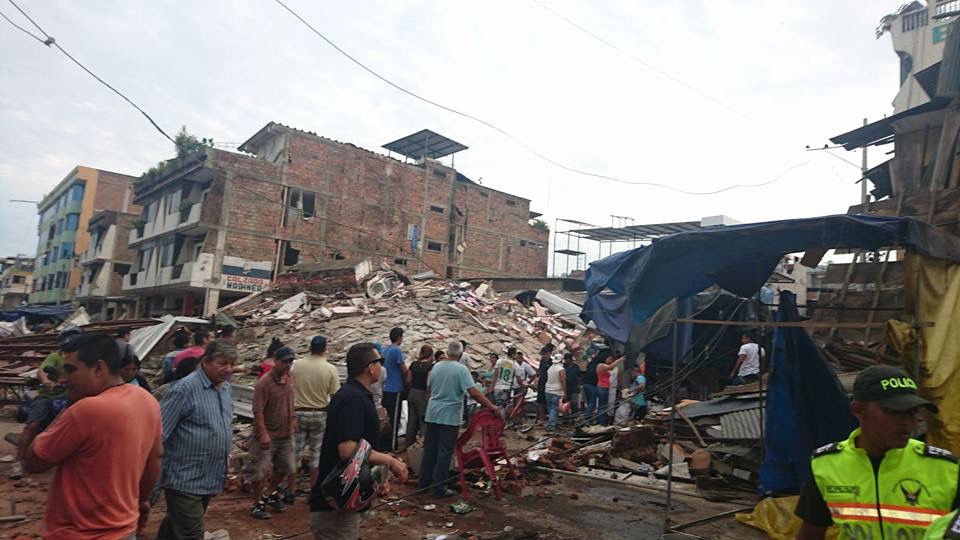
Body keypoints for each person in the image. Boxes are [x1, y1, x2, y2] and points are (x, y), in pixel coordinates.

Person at [24, 332, 162, 540]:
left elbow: (34, 461)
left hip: (79, 533)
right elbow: (156, 457)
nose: (63, 379)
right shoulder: (146, 400)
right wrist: (141, 500)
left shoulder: (86, 410)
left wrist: (69, 406)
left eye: (71, 370)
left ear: (99, 368)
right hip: (124, 528)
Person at [794, 366, 959, 540]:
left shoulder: (946, 469)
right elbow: (810, 534)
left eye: (911, 413)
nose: (908, 423)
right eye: (894, 412)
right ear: (858, 410)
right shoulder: (826, 466)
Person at [308, 343, 408, 540]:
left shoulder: (356, 395)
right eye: (379, 362)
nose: (382, 367)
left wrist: (377, 477)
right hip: (334, 507)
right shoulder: (353, 399)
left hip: (343, 500)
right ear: (370, 368)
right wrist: (390, 461)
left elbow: (362, 448)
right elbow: (348, 449)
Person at [157, 340, 236, 540]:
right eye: (222, 363)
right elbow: (159, 433)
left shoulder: (225, 389)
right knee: (192, 533)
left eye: (232, 364)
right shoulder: (184, 389)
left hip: (209, 475)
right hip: (184, 478)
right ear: (206, 361)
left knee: (175, 527)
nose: (228, 369)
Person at [418, 341, 499, 499]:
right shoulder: (461, 369)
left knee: (429, 450)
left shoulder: (436, 366)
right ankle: (439, 488)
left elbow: (428, 390)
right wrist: (491, 406)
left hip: (433, 413)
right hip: (449, 416)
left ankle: (423, 484)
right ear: (461, 354)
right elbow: (474, 392)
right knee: (444, 452)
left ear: (447, 353)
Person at [11, 327, 83, 480]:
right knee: (33, 425)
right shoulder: (55, 357)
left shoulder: (83, 359)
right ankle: (18, 462)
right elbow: (42, 371)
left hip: (70, 397)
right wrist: (47, 381)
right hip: (48, 396)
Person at [247, 346, 297, 519]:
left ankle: (268, 495)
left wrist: (293, 419)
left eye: (290, 361)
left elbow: (291, 401)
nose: (288, 365)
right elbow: (258, 410)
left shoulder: (289, 378)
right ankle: (256, 504)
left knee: (287, 467)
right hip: (268, 434)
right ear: (276, 361)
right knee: (259, 471)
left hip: (285, 433)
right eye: (285, 361)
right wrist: (263, 433)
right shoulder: (264, 383)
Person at [293, 335, 341, 489]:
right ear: (325, 349)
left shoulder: (296, 365)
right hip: (320, 414)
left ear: (310, 348)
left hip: (298, 413)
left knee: (295, 453)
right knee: (316, 454)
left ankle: (289, 489)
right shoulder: (330, 369)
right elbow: (335, 396)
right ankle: (314, 489)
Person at [381, 327, 409, 451]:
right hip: (395, 388)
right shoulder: (396, 351)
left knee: (388, 418)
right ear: (399, 337)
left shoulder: (386, 350)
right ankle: (392, 446)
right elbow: (404, 369)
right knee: (394, 418)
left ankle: (385, 444)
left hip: (386, 387)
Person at [405, 345, 434, 447]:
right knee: (423, 421)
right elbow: (428, 384)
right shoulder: (430, 367)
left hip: (412, 392)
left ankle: (408, 445)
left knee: (411, 421)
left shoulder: (413, 364)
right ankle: (423, 445)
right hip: (422, 394)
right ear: (431, 355)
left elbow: (408, 380)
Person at [596, 350, 623, 425]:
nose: (610, 360)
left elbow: (619, 379)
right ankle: (601, 422)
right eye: (609, 359)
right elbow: (611, 368)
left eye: (611, 359)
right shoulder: (602, 365)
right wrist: (619, 360)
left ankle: (602, 422)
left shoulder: (609, 367)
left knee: (605, 406)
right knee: (603, 406)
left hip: (607, 388)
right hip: (603, 387)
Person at [581, 348, 606, 423]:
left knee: (590, 403)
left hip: (586, 384)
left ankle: (588, 420)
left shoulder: (591, 363)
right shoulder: (600, 365)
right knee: (592, 403)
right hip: (592, 385)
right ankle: (585, 419)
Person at [544, 353, 566, 432]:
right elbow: (562, 381)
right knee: (554, 408)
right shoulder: (561, 369)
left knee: (550, 408)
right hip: (556, 391)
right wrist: (565, 392)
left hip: (547, 390)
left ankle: (552, 423)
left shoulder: (550, 368)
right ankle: (552, 426)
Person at [536, 344, 555, 421]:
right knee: (540, 403)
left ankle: (550, 419)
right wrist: (537, 382)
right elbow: (539, 372)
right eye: (542, 354)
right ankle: (541, 419)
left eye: (544, 354)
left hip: (548, 385)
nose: (543, 356)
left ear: (548, 353)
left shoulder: (551, 362)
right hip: (541, 384)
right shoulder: (542, 361)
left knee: (548, 403)